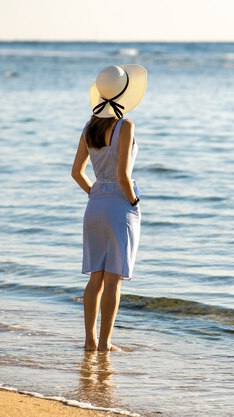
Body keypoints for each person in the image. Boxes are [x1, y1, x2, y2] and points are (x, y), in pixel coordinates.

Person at [71, 64, 147, 352]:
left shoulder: (89, 127)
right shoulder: (125, 125)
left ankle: (89, 341)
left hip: (94, 205)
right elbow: (124, 175)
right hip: (119, 206)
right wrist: (134, 201)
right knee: (113, 278)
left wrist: (96, 192)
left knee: (96, 277)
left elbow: (77, 172)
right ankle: (105, 343)